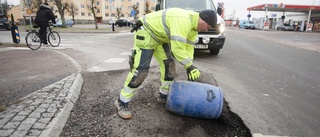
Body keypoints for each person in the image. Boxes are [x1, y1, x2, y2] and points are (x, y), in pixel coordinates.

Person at [114, 8, 217, 119]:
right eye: (208, 27)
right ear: (202, 20)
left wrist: (190, 66)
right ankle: (122, 101)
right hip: (147, 32)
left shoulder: (194, 28)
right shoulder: (183, 20)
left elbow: (189, 48)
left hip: (160, 38)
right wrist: (189, 67)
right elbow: (177, 48)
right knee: (141, 71)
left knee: (169, 66)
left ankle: (163, 96)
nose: (207, 30)